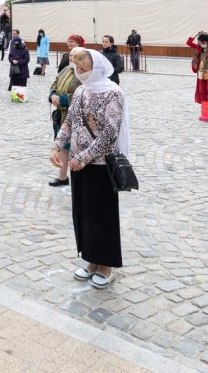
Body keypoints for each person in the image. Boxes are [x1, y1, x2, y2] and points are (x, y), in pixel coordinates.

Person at [51, 48, 129, 289]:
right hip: (77, 163)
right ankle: (91, 260)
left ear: (96, 65)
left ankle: (106, 265)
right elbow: (69, 121)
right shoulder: (81, 91)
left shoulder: (112, 93)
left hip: (101, 164)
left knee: (102, 215)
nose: (80, 71)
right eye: (77, 67)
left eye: (84, 66)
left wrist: (84, 157)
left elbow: (110, 133)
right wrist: (56, 146)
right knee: (84, 213)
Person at [47, 49, 80, 186]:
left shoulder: (83, 73)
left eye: (75, 56)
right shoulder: (65, 69)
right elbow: (54, 83)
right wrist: (53, 95)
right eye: (70, 55)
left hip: (74, 116)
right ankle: (62, 176)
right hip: (61, 114)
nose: (71, 58)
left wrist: (64, 99)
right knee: (63, 145)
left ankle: (78, 178)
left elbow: (83, 92)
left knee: (75, 146)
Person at [186, 31, 208, 122]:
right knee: (203, 93)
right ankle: (205, 113)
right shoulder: (199, 48)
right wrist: (195, 35)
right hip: (201, 74)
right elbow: (188, 43)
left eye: (204, 42)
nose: (202, 43)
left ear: (207, 41)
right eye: (200, 42)